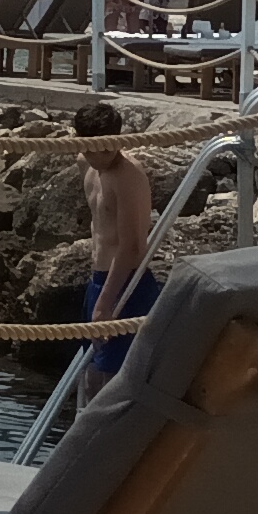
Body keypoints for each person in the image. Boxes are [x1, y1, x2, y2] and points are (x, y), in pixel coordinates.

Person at [74, 101, 159, 391]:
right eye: (92, 149)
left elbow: (132, 246)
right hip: (98, 280)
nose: (100, 156)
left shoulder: (128, 176)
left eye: (107, 149)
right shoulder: (85, 164)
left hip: (127, 284)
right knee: (90, 377)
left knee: (114, 383)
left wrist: (105, 303)